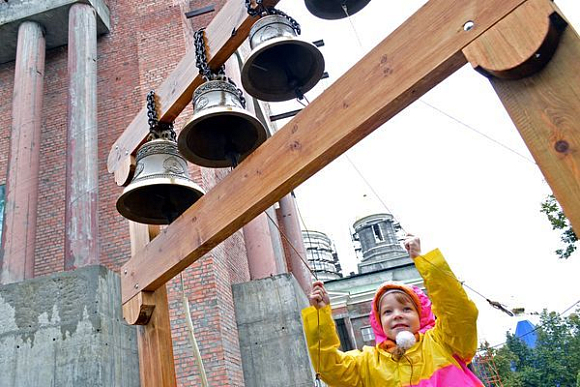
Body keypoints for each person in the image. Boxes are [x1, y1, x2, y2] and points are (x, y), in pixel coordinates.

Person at [301, 235, 484, 386]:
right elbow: (330, 368)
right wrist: (320, 315)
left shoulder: (444, 342)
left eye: (406, 308)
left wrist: (423, 261)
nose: (397, 315)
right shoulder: (368, 363)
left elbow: (459, 313)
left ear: (421, 315)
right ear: (379, 323)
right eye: (387, 312)